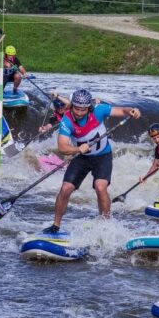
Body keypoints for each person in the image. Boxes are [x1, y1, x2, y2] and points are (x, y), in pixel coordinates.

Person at [43, 89, 142, 233]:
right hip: (81, 158)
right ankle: (56, 225)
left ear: (89, 107)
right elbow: (62, 147)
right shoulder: (67, 120)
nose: (79, 112)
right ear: (72, 106)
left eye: (83, 109)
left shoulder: (99, 110)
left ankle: (106, 225)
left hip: (103, 156)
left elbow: (122, 111)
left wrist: (132, 110)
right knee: (65, 189)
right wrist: (77, 150)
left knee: (100, 186)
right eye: (76, 108)